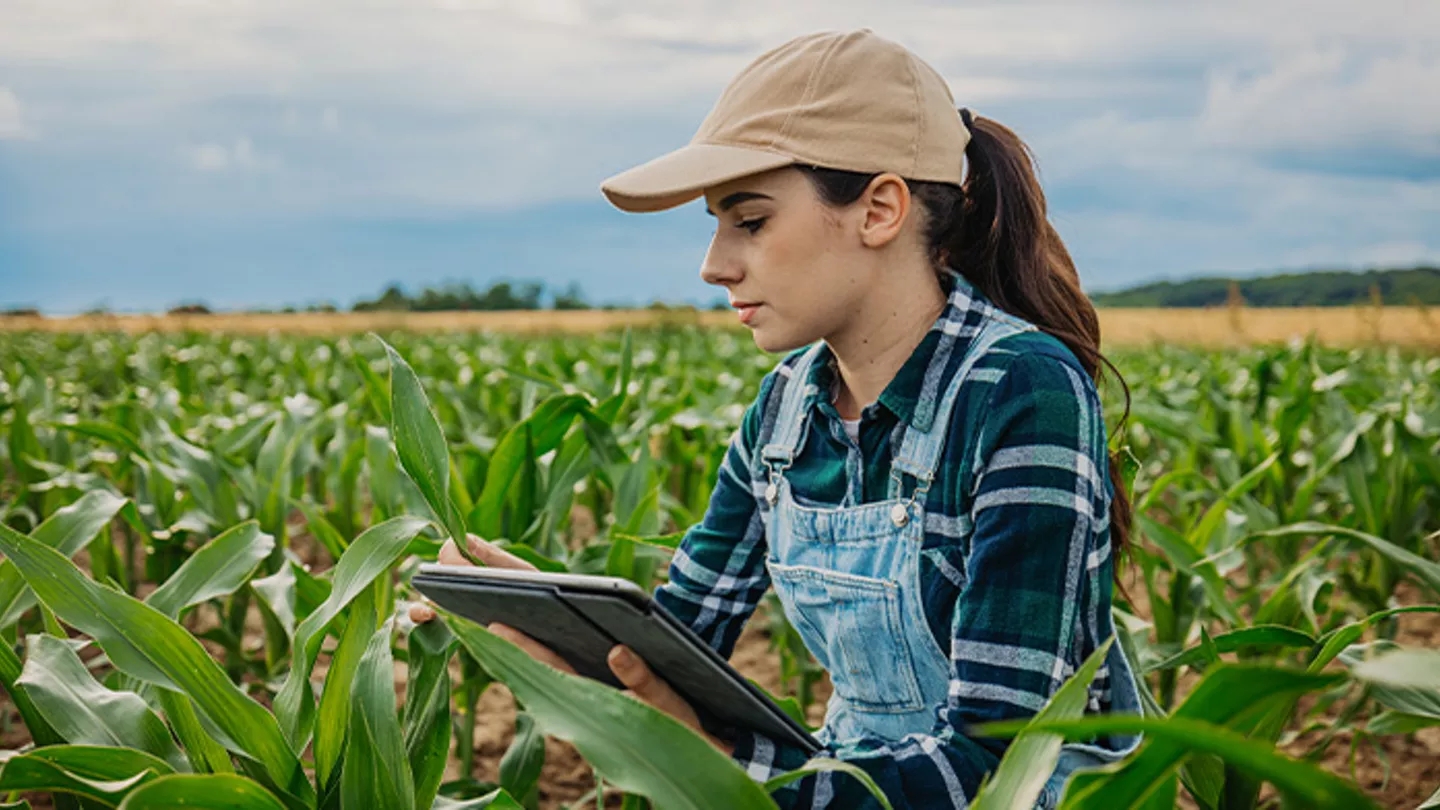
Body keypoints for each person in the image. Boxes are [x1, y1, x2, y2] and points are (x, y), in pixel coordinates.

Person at [412, 28, 1142, 809]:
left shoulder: (1021, 391)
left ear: (880, 210)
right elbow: (681, 648)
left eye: (750, 221)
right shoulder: (787, 409)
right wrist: (562, 632)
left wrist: (722, 761)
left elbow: (998, 761)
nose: (714, 264)